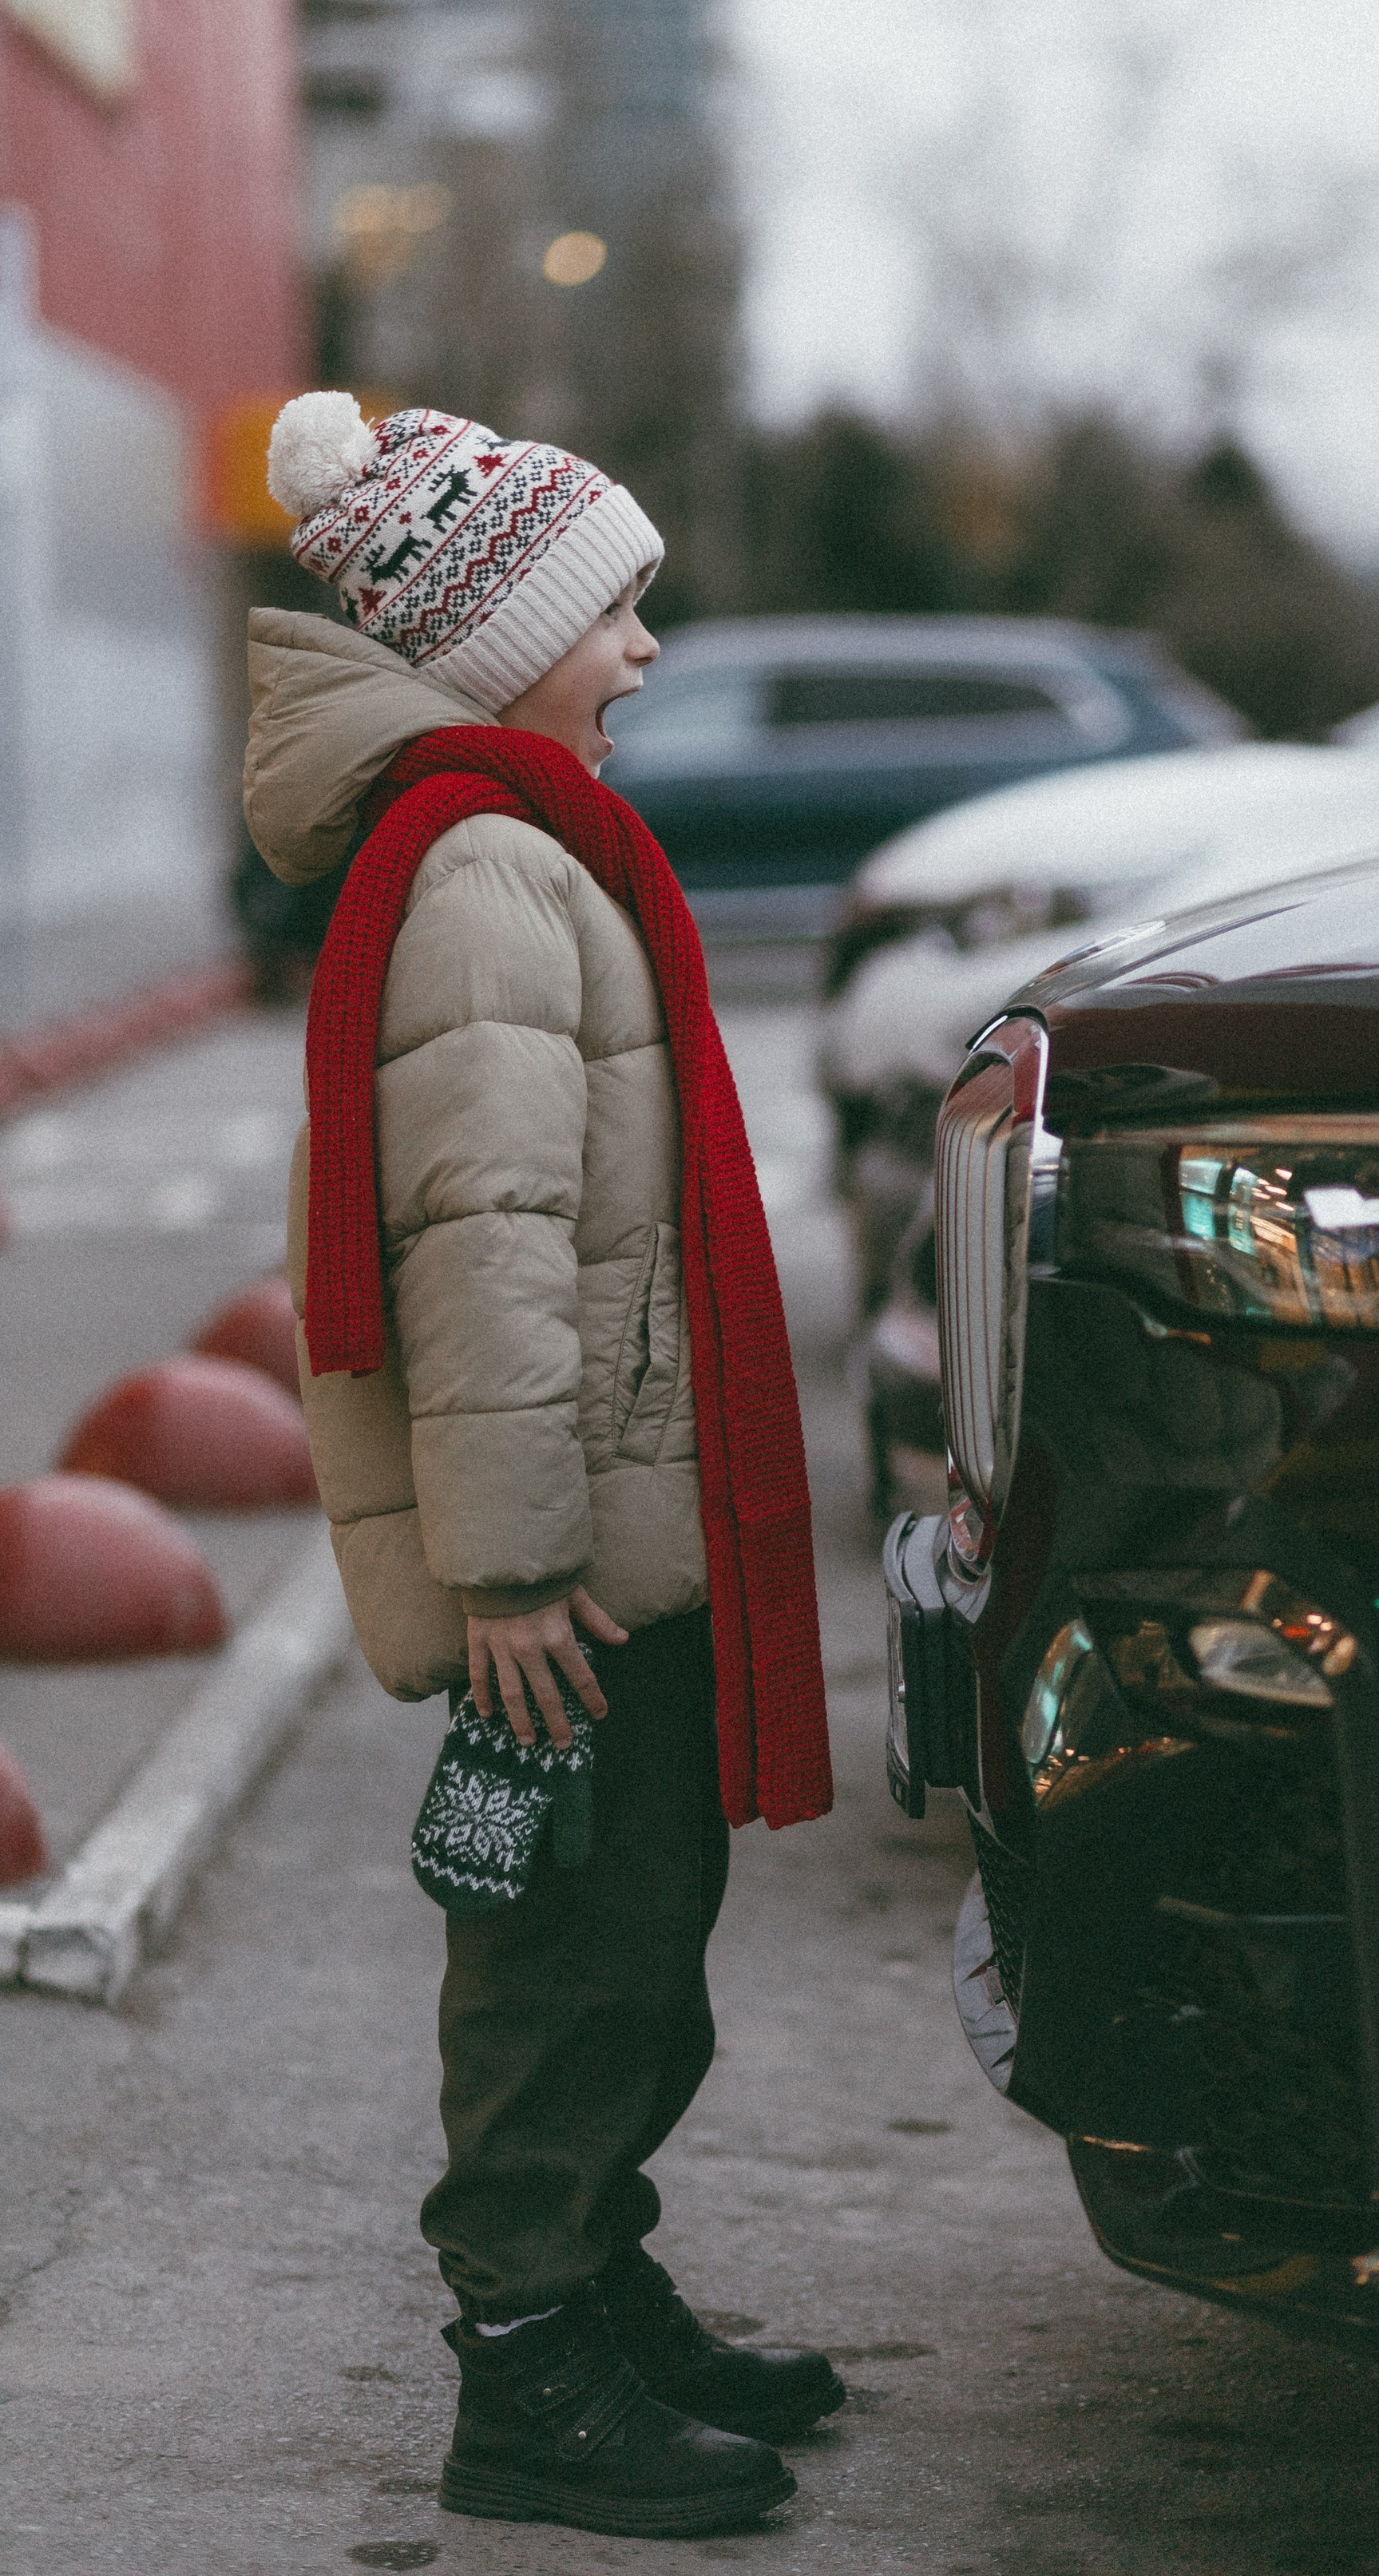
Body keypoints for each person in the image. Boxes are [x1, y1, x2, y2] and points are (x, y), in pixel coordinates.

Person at [244, 392, 838, 2542]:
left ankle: (595, 2276)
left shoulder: (523, 843)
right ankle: (526, 2370)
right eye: (620, 613)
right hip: (569, 1559)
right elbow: (474, 1246)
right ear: (498, 645)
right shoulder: (491, 875)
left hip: (614, 1517)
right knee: (569, 1965)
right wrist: (505, 1574)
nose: (652, 649)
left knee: (638, 1942)